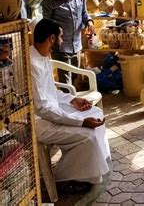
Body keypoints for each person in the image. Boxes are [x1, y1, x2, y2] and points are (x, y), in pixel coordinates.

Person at [30, 19, 110, 192]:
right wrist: (80, 122)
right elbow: (42, 108)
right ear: (51, 38)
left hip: (53, 111)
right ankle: (66, 178)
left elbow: (50, 91)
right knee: (87, 135)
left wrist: (72, 100)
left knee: (95, 112)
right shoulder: (31, 63)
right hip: (41, 122)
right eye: (60, 37)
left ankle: (93, 168)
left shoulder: (41, 56)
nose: (61, 41)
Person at [41, 0, 94, 84]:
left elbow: (84, 13)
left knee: (75, 75)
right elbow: (46, 23)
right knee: (65, 80)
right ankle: (67, 100)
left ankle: (73, 98)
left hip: (77, 44)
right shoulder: (49, 2)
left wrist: (89, 22)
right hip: (61, 47)